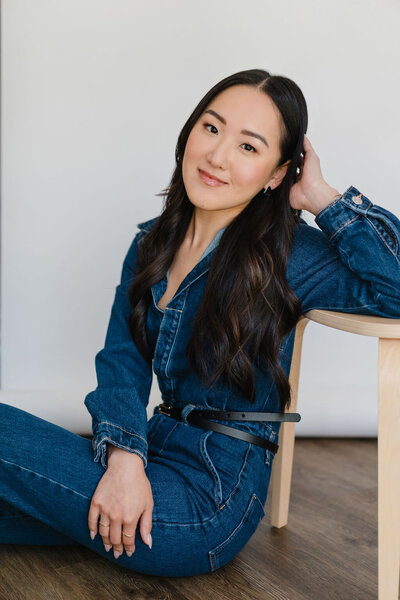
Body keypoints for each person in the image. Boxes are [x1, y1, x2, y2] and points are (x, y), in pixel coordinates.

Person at [1, 69, 400, 577]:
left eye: (249, 147)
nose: (217, 156)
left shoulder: (288, 254)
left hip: (206, 500)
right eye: (211, 128)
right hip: (146, 456)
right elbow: (122, 363)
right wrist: (124, 460)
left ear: (279, 173)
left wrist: (321, 197)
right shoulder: (151, 244)